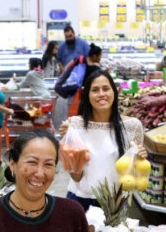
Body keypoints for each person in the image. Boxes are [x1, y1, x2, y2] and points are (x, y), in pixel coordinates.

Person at [60, 69, 145, 210]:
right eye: (95, 90)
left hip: (115, 203)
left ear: (114, 92)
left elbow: (134, 176)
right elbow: (76, 177)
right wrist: (69, 148)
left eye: (106, 88)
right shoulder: (75, 125)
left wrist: (139, 158)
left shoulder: (132, 126)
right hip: (79, 200)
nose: (101, 94)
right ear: (87, 95)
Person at [53, 44, 103, 132]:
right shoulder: (96, 70)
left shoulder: (80, 59)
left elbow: (67, 68)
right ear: (95, 56)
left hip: (73, 96)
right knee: (85, 122)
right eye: (100, 56)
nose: (100, 58)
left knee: (73, 121)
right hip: (87, 99)